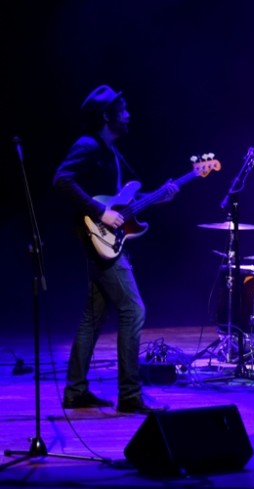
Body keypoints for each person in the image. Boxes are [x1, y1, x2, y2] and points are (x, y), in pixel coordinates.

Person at [53, 85, 178, 414]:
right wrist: (99, 211)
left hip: (106, 239)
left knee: (93, 316)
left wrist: (158, 197)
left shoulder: (111, 151)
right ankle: (130, 395)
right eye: (122, 110)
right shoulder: (88, 145)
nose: (128, 115)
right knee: (133, 311)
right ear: (107, 116)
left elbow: (120, 202)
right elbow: (62, 179)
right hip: (99, 238)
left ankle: (75, 391)